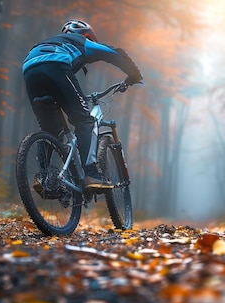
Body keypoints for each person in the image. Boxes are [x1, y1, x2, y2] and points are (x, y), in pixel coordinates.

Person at [23, 19, 142, 191]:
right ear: (87, 35)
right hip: (56, 64)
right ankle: (92, 175)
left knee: (50, 128)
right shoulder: (82, 42)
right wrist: (134, 75)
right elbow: (114, 53)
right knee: (84, 120)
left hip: (29, 68)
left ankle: (44, 176)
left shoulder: (51, 41)